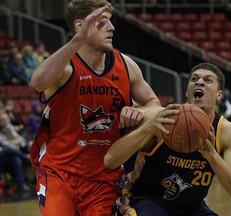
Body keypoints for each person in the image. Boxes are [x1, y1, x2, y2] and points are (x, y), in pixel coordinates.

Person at [29, 1, 160, 216]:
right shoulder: (66, 66)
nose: (112, 27)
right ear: (81, 26)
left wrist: (142, 111)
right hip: (60, 172)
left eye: (110, 21)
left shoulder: (126, 66)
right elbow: (38, 82)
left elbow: (153, 102)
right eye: (102, 23)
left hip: (104, 177)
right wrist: (77, 40)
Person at [104, 62, 231, 216]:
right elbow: (110, 160)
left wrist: (213, 156)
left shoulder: (226, 131)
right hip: (146, 200)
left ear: (219, 95)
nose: (199, 82)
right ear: (187, 92)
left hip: (192, 207)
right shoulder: (160, 117)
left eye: (208, 80)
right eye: (194, 79)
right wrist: (148, 128)